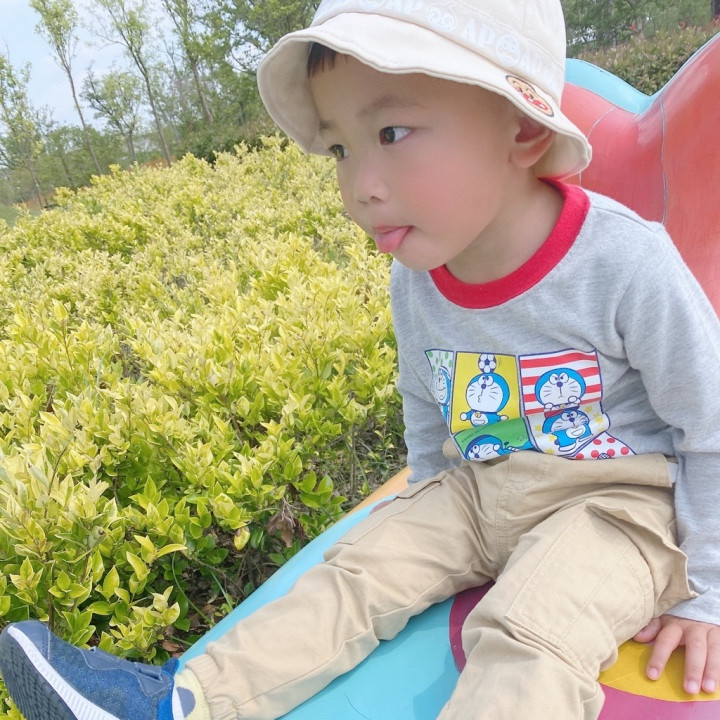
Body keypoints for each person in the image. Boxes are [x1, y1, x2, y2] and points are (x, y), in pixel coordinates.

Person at [2, 1, 720, 718]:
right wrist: (422, 519)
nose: (357, 189)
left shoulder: (624, 263)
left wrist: (708, 595)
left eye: (391, 133)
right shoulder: (417, 276)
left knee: (528, 628)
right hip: (481, 492)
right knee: (355, 571)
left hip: (615, 506)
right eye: (342, 149)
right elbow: (427, 402)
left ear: (524, 128)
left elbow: (710, 427)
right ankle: (181, 701)